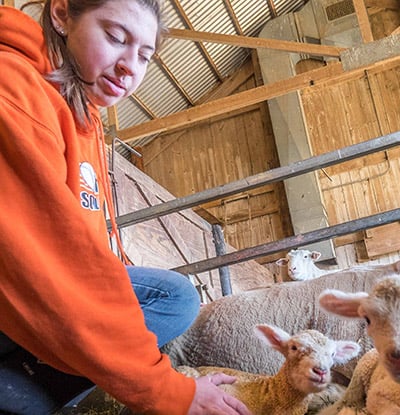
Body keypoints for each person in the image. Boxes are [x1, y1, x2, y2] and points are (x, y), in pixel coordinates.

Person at [0, 1, 251, 414]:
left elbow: (83, 240)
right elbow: (43, 265)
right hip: (14, 281)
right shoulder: (16, 89)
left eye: (145, 55)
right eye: (116, 38)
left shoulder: (83, 113)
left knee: (175, 297)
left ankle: (28, 380)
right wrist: (170, 392)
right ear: (62, 14)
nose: (130, 66)